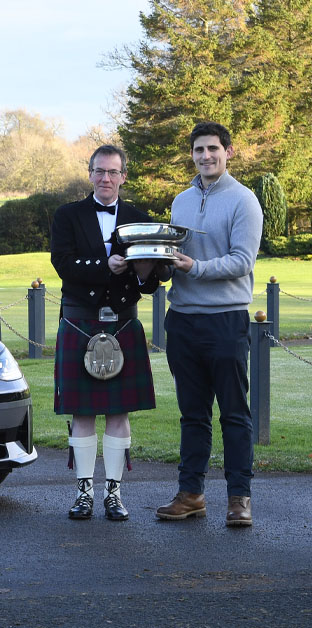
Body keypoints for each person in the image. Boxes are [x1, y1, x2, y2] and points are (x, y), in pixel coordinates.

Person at [50, 145, 169, 521]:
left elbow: (152, 281)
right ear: (89, 174)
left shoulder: (138, 217)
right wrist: (106, 265)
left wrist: (145, 269)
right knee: (82, 412)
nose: (106, 178)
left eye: (113, 172)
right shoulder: (68, 215)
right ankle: (84, 493)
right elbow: (64, 264)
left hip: (123, 318)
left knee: (118, 411)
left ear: (123, 176)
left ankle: (113, 495)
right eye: (99, 171)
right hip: (79, 319)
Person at [156, 122, 262, 527]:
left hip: (225, 322)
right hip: (182, 321)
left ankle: (239, 499)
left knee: (234, 414)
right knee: (192, 415)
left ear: (229, 152)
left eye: (213, 149)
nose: (206, 156)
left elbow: (242, 261)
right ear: (192, 155)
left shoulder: (244, 201)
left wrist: (194, 267)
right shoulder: (180, 201)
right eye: (199, 150)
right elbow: (173, 255)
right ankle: (192, 494)